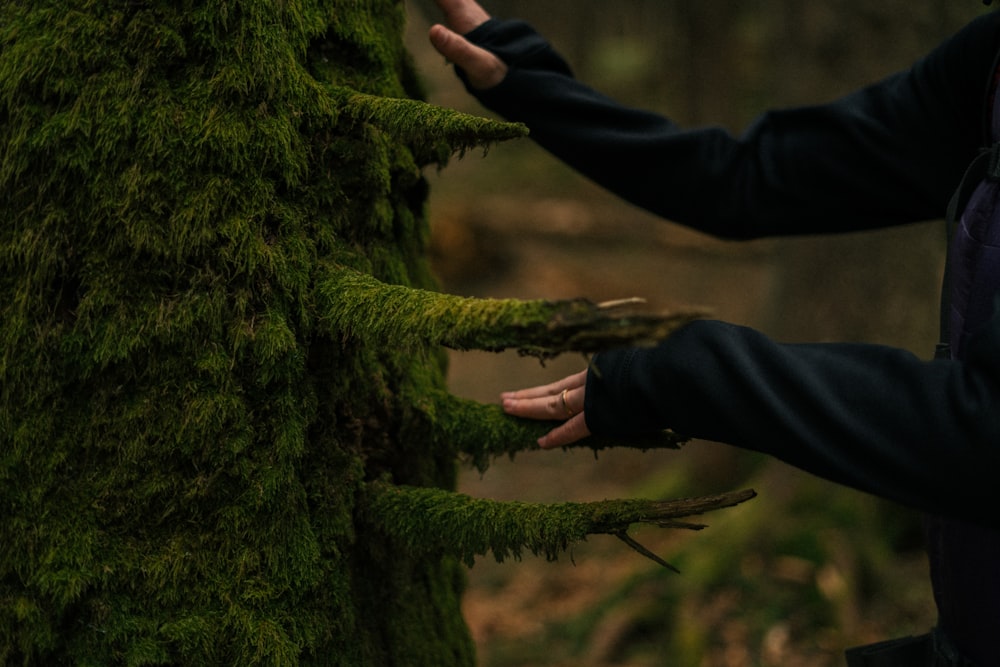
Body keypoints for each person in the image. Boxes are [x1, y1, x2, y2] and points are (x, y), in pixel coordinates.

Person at [427, 1, 1000, 665]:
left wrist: (684, 369)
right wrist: (532, 85)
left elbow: (982, 434)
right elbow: (744, 178)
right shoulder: (990, 65)